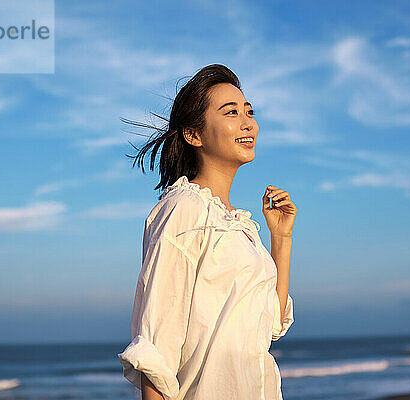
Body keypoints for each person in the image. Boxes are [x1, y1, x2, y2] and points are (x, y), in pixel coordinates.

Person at [118, 64, 297, 400]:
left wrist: (281, 238)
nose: (248, 123)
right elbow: (157, 345)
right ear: (193, 134)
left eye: (249, 111)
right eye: (231, 113)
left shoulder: (239, 225)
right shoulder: (183, 210)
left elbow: (271, 323)